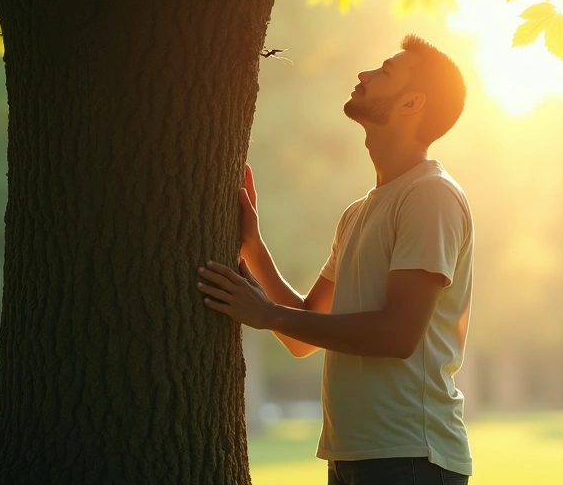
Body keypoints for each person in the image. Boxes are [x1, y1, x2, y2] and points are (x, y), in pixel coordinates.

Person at [196, 35, 474, 484]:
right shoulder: (358, 213)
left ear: (412, 102)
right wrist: (254, 246)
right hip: (355, 457)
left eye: (384, 71)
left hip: (411, 458)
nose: (364, 75)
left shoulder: (430, 196)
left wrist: (266, 313)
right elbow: (303, 331)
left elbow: (398, 334)